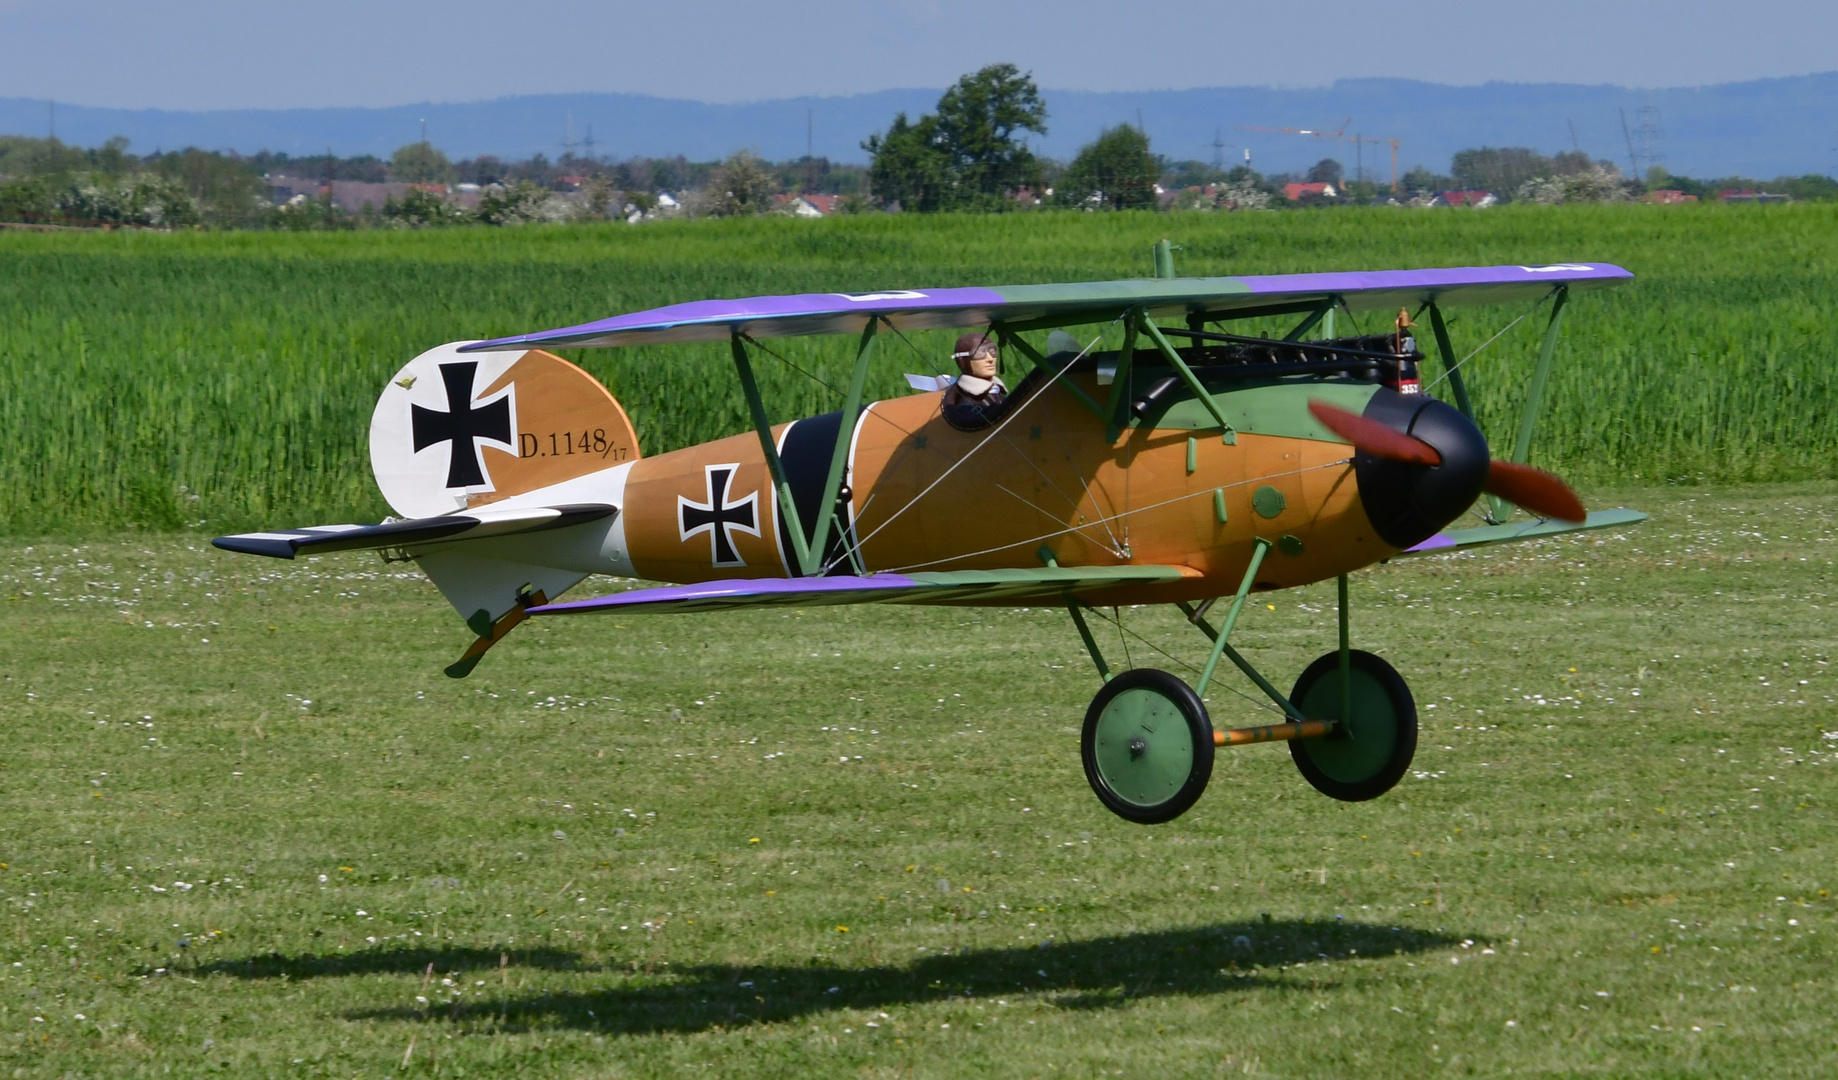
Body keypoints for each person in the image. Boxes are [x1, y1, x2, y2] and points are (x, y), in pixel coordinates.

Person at [943, 332, 1007, 413]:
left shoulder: (996, 391)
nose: (990, 359)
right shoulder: (969, 406)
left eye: (992, 351)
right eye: (979, 354)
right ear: (962, 361)